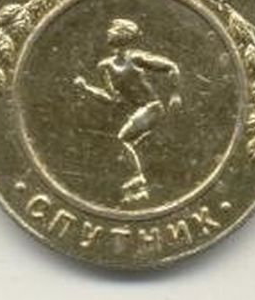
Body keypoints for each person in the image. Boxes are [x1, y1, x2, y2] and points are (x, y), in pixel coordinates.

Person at [74, 18, 182, 203]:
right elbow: (112, 99)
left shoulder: (136, 58)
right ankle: (136, 185)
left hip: (153, 108)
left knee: (123, 139)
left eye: (113, 30)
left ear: (123, 35)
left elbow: (171, 67)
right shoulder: (105, 66)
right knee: (124, 142)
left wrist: (175, 93)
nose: (108, 33)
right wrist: (86, 88)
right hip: (140, 111)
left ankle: (138, 179)